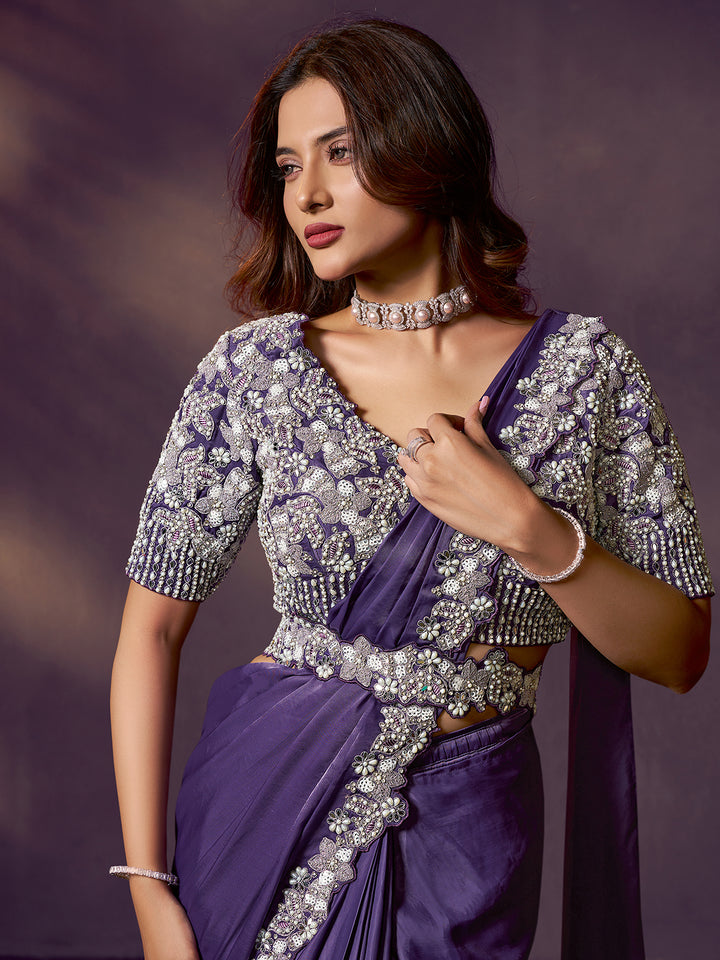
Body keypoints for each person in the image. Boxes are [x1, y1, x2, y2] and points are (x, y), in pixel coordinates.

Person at [110, 17, 713, 960]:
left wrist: (528, 527)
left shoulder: (586, 372)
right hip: (265, 806)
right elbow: (150, 628)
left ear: (426, 146)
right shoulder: (254, 371)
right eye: (284, 164)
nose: (305, 191)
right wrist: (152, 897)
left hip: (471, 832)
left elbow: (680, 653)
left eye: (340, 153)